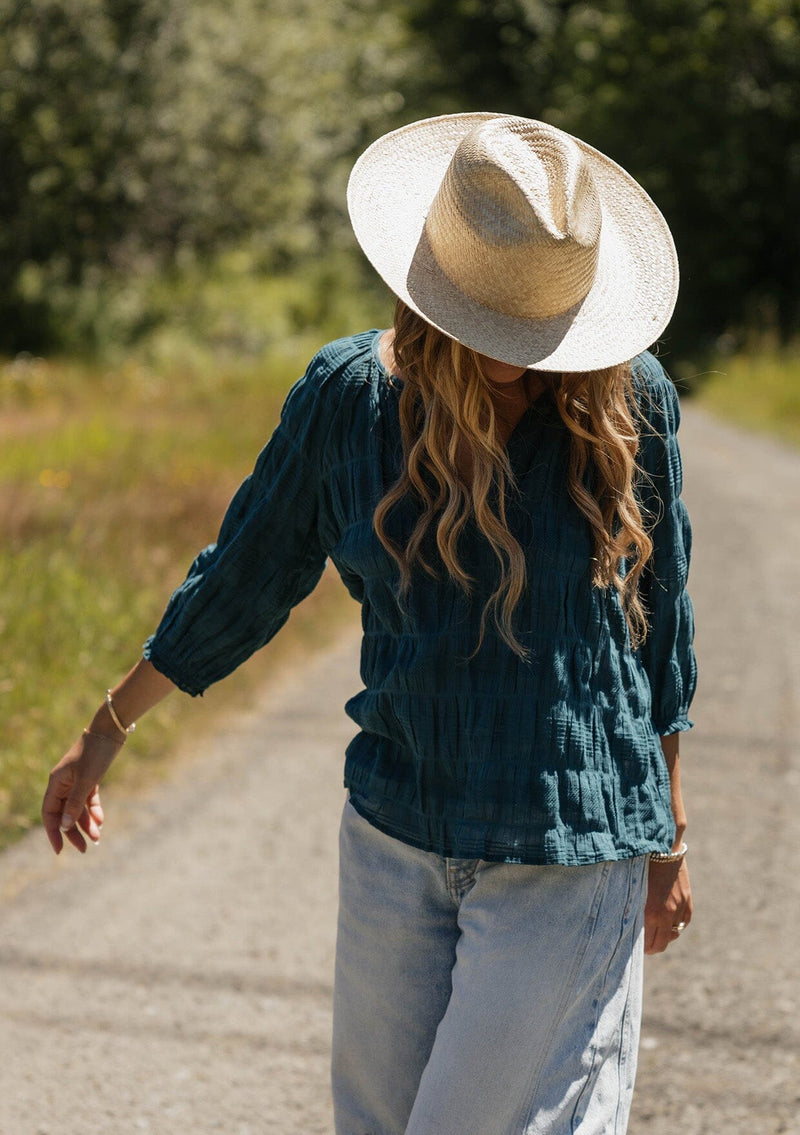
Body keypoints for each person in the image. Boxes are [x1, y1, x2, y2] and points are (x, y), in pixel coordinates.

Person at [43, 113, 696, 1134]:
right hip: (395, 830)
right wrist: (106, 728)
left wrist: (667, 836)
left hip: (565, 849)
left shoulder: (630, 400)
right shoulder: (349, 397)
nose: (512, 362)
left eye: (533, 323)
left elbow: (659, 630)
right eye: (490, 319)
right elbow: (246, 574)